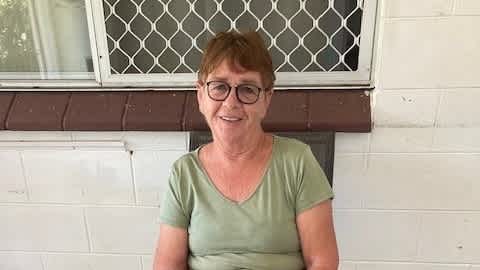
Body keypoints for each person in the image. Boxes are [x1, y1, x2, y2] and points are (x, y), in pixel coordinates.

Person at [153, 30, 338, 270]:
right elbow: (167, 264)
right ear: (200, 95)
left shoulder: (297, 162)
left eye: (247, 89)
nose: (231, 103)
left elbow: (322, 261)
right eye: (219, 87)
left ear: (267, 99)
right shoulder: (184, 173)